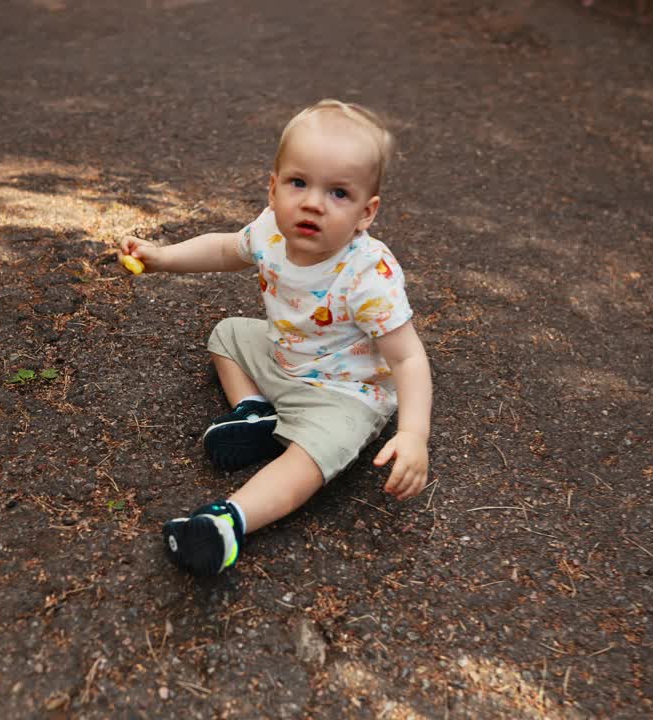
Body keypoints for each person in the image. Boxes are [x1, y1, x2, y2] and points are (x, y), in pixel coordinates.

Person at [118, 99, 433, 576]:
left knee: (310, 457)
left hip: (346, 393)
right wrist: (163, 256)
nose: (312, 202)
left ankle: (227, 522)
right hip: (287, 360)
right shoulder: (269, 231)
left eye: (339, 193)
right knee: (227, 335)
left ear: (366, 213)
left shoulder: (368, 274)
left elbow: (408, 358)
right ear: (273, 188)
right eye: (299, 183)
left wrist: (413, 434)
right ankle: (255, 413)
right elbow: (225, 249)